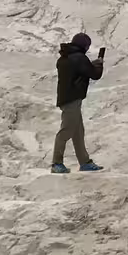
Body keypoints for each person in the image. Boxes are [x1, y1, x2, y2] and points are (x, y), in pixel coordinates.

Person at [51, 32, 105, 174]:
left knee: (78, 131)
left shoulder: (65, 57)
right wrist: (99, 64)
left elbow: (78, 69)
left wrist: (91, 64)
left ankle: (84, 161)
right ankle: (56, 163)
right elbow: (95, 74)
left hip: (66, 98)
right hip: (72, 99)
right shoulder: (80, 58)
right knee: (67, 130)